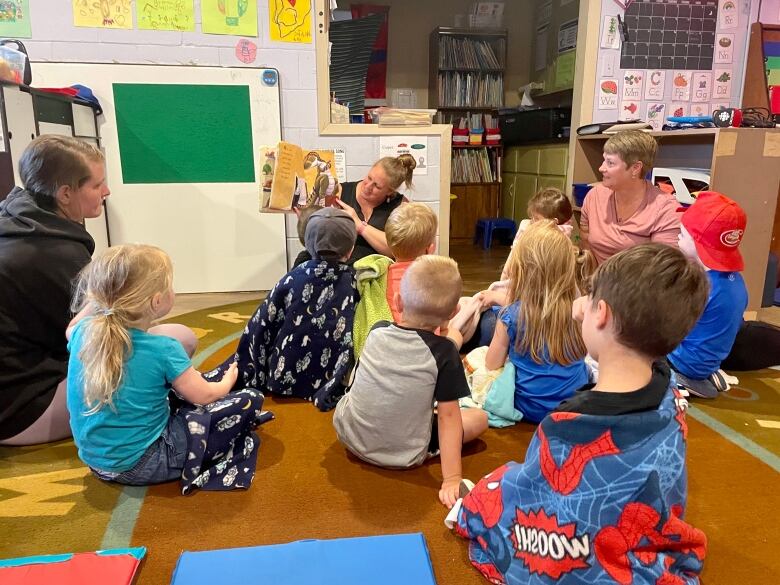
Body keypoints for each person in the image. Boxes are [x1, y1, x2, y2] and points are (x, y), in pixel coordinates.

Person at [449, 244, 709, 585]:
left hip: (579, 543)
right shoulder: (670, 392)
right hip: (641, 526)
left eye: (588, 297)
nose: (578, 308)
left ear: (601, 313)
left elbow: (534, 491)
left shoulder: (567, 425)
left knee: (494, 487)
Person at [66, 244, 268, 492]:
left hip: (95, 461)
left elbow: (71, 327)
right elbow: (204, 396)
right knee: (249, 398)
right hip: (144, 463)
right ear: (157, 301)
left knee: (175, 391)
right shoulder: (163, 348)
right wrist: (227, 382)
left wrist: (103, 294)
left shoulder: (82, 334)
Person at [333, 256, 489, 508]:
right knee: (479, 418)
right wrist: (452, 479)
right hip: (404, 453)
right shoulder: (444, 353)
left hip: (350, 436)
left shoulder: (377, 330)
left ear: (397, 301)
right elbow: (449, 418)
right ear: (453, 312)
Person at [0, 136, 110, 446]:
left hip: (14, 388)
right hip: (20, 410)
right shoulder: (56, 254)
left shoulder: (13, 218)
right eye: (97, 185)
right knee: (171, 345)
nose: (106, 192)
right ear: (65, 194)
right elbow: (99, 342)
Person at [205, 207, 359, 411]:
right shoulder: (355, 283)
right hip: (330, 375)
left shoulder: (293, 278)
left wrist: (250, 366)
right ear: (350, 250)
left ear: (308, 245)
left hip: (284, 374)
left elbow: (261, 324)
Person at [483, 221, 591, 423]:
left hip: (528, 407)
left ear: (521, 270)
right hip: (574, 405)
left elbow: (491, 364)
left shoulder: (510, 315)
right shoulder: (580, 311)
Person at [668, 192, 748, 398]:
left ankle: (680, 381)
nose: (678, 236)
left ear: (699, 243)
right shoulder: (738, 283)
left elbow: (667, 328)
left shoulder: (698, 285)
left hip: (682, 362)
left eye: (683, 234)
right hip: (709, 360)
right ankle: (706, 373)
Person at [352, 202, 438, 358]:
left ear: (390, 246)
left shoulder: (377, 276)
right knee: (455, 332)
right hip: (422, 355)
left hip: (382, 354)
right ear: (430, 249)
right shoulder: (433, 281)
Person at [581, 130, 680, 264]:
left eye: (610, 163)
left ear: (635, 168)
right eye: (604, 160)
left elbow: (662, 270)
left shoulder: (666, 210)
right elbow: (586, 246)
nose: (601, 168)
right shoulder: (595, 196)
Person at [334, 154, 416, 263]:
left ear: (390, 191)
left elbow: (398, 251)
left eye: (377, 186)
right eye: (369, 178)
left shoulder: (402, 206)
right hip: (341, 270)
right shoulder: (340, 191)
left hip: (378, 273)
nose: (367, 187)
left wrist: (360, 226)